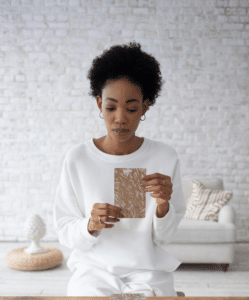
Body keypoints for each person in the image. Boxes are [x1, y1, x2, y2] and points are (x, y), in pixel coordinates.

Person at [53, 41, 187, 297]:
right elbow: (65, 232)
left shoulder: (164, 157)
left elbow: (165, 238)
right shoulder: (78, 159)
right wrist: (90, 225)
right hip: (92, 272)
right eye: (111, 107)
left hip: (147, 272)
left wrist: (162, 206)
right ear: (98, 104)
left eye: (132, 108)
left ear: (145, 107)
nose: (120, 118)